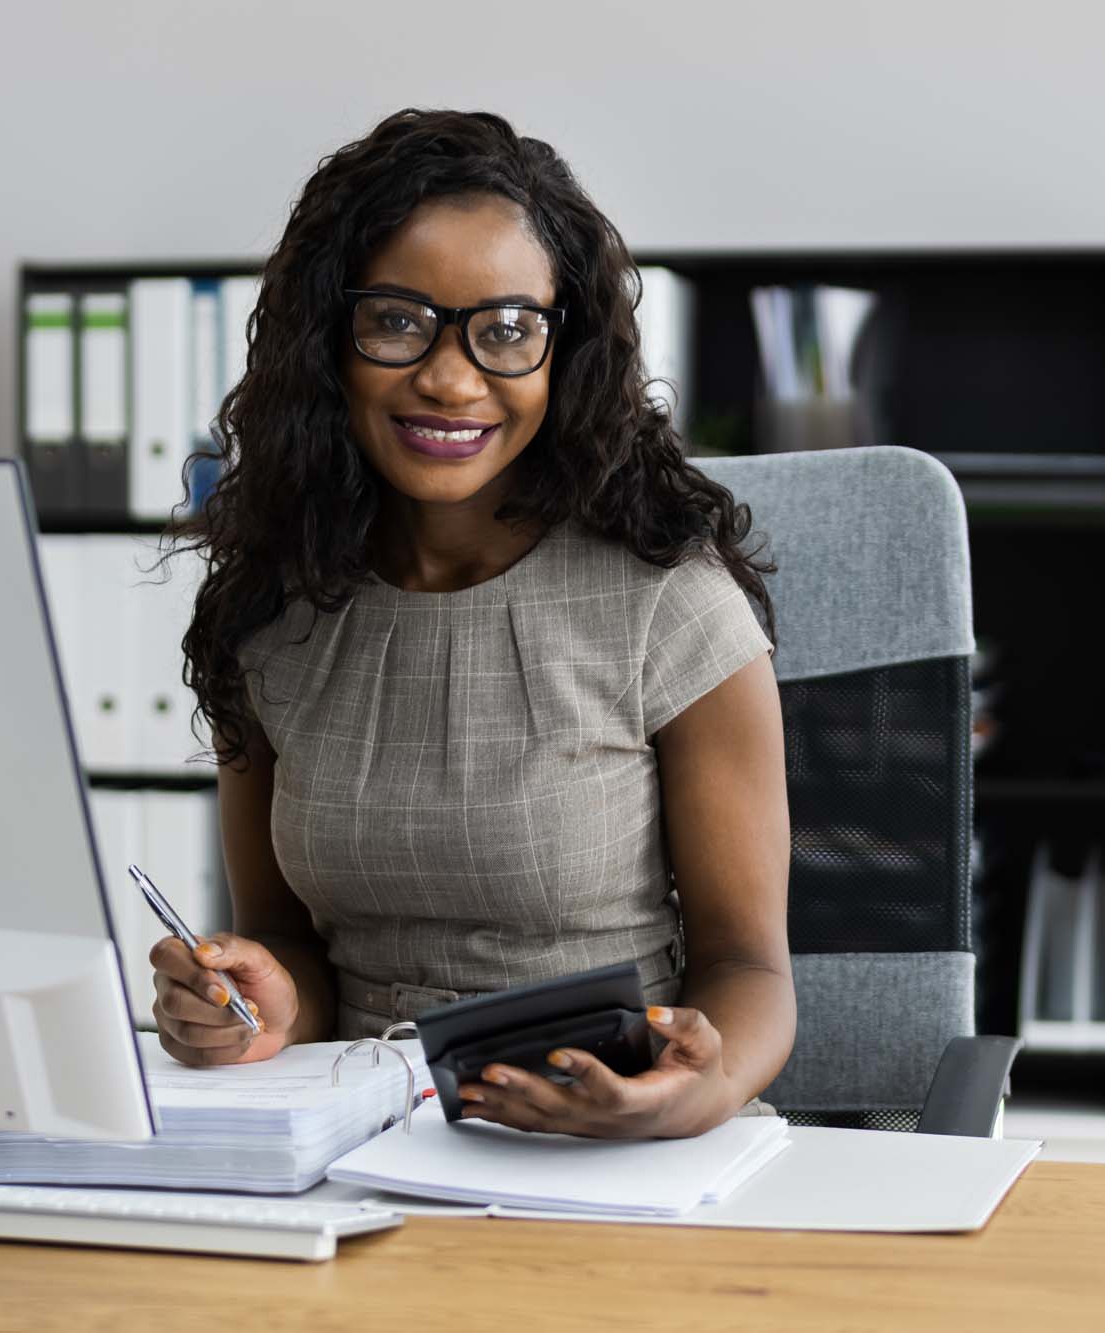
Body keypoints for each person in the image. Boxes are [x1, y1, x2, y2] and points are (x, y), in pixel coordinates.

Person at [152, 108, 793, 1140]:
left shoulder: (667, 602)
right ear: (328, 341)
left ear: (562, 351)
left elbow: (748, 966)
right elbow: (287, 943)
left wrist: (693, 1093)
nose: (451, 378)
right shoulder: (271, 608)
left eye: (504, 331)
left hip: (600, 1141)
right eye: (398, 320)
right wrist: (259, 1004)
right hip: (348, 1145)